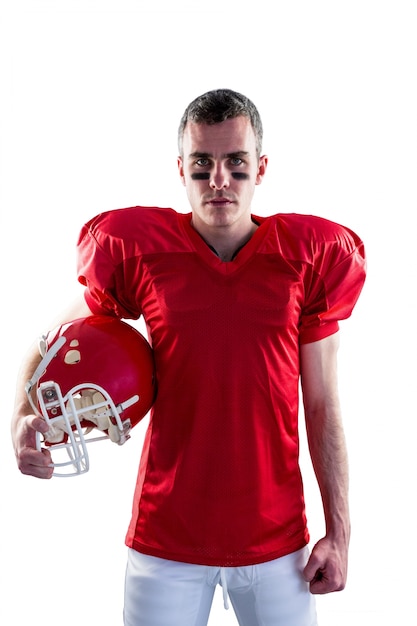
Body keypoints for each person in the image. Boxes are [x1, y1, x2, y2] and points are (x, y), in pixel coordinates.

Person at [11, 88, 366, 626]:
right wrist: (20, 414)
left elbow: (322, 406)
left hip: (276, 541)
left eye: (235, 163)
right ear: (181, 168)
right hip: (165, 535)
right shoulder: (141, 249)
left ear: (261, 168)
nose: (219, 180)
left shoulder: (307, 257)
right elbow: (56, 338)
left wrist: (340, 535)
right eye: (203, 164)